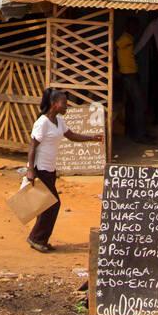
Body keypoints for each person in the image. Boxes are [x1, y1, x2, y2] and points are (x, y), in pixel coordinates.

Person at [24, 87, 103, 253]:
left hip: (50, 169)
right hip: (40, 168)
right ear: (54, 104)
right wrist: (30, 170)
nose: (66, 106)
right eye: (64, 103)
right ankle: (36, 238)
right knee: (53, 204)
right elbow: (32, 146)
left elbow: (71, 136)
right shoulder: (43, 123)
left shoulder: (59, 121)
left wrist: (91, 138)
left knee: (45, 205)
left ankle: (40, 239)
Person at [115, 17, 154, 144]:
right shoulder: (124, 38)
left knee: (134, 105)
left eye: (137, 26)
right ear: (128, 27)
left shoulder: (129, 39)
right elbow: (113, 49)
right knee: (139, 105)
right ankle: (139, 135)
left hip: (131, 74)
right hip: (128, 76)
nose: (136, 29)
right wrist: (116, 69)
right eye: (134, 26)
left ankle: (136, 133)